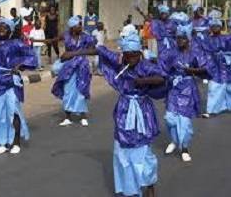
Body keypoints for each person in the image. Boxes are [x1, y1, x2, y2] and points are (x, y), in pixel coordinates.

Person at [60, 30, 167, 197]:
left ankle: (148, 185)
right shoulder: (120, 62)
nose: (130, 58)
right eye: (127, 55)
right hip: (124, 111)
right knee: (122, 151)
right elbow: (99, 50)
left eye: (134, 55)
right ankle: (130, 189)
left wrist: (142, 81)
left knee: (143, 152)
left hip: (142, 112)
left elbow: (161, 78)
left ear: (139, 53)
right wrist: (72, 53)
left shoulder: (146, 66)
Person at [0, 3, 37, 154]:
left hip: (11, 80)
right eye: (0, 26)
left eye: (5, 27)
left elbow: (32, 57)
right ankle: (2, 142)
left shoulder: (16, 44)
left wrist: (21, 65)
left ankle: (16, 142)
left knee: (13, 111)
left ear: (10, 31)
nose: (1, 29)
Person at [161, 25, 214, 162]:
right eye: (178, 38)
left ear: (189, 39)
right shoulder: (170, 53)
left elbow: (206, 68)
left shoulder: (195, 53)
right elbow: (162, 66)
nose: (180, 40)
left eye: (183, 38)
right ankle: (174, 140)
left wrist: (191, 70)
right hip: (174, 88)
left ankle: (184, 148)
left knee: (184, 121)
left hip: (188, 89)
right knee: (170, 117)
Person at [51, 16, 96, 127]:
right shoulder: (66, 36)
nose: (80, 27)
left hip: (82, 67)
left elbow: (94, 50)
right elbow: (52, 41)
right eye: (78, 25)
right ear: (72, 27)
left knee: (81, 89)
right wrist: (34, 41)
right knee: (68, 90)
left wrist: (74, 54)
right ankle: (67, 117)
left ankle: (83, 116)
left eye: (81, 24)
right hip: (68, 67)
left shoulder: (86, 37)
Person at [201, 19, 231, 118]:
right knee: (213, 87)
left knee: (229, 87)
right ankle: (211, 110)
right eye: (213, 26)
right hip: (215, 66)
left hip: (227, 65)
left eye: (217, 26)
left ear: (221, 27)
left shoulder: (226, 38)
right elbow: (205, 52)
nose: (215, 28)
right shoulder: (207, 39)